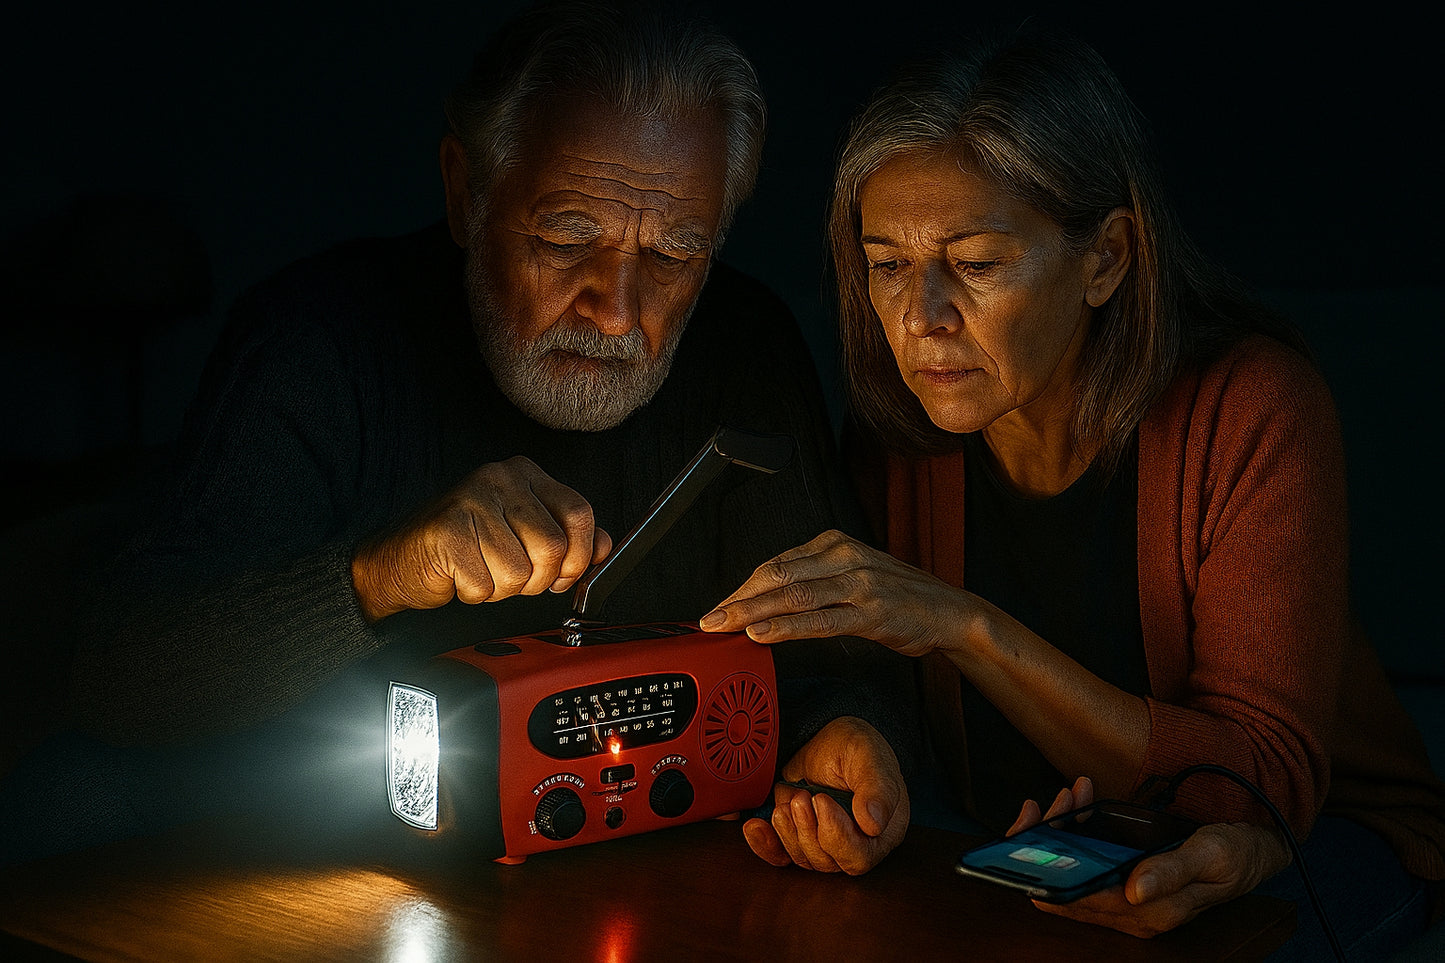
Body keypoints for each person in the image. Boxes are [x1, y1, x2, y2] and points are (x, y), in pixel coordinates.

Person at [0, 0, 908, 865]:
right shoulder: (321, 341)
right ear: (467, 191)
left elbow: (836, 653)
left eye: (674, 254)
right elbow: (122, 675)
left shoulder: (746, 342)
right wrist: (379, 575)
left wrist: (847, 733)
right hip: (330, 848)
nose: (617, 309)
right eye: (565, 236)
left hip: (655, 856)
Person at [701, 26, 1445, 958]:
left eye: (974, 263)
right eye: (887, 264)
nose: (920, 316)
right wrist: (850, 763)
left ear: (1106, 259)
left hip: (1316, 835)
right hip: (1034, 839)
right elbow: (881, 696)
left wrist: (966, 627)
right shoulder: (901, 430)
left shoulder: (1251, 407)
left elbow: (1253, 789)